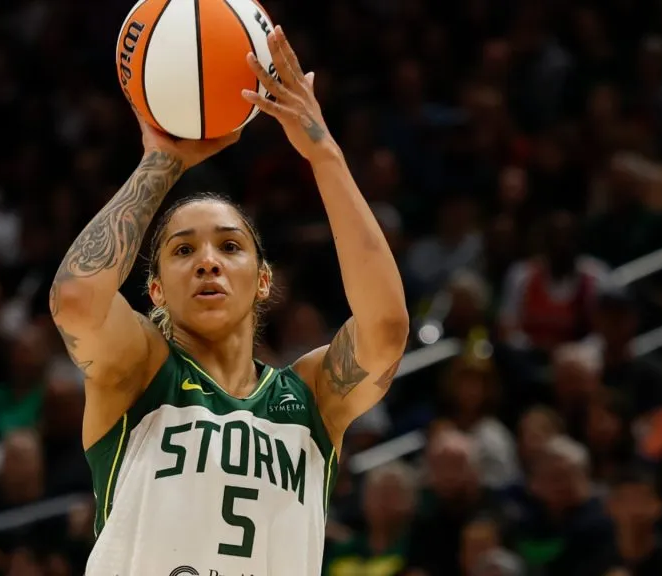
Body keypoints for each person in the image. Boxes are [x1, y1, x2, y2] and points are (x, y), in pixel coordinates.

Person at [49, 26, 408, 576]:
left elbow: (385, 329)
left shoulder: (311, 399)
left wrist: (324, 154)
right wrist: (161, 163)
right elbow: (75, 301)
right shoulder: (140, 373)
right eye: (183, 249)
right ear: (156, 289)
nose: (207, 260)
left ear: (263, 280)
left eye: (230, 246)